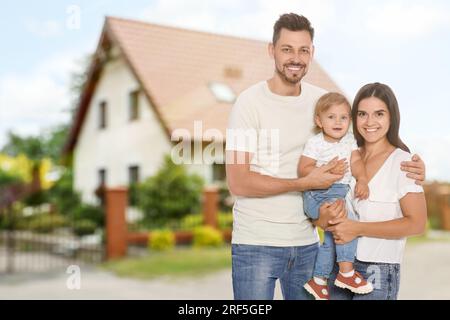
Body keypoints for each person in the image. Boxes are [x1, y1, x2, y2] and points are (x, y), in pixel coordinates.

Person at [225, 13, 426, 300]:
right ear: (271, 51)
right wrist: (306, 182)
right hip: (256, 244)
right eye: (287, 49)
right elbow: (239, 182)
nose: (296, 58)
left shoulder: (323, 102)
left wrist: (411, 164)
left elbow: (366, 136)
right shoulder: (247, 103)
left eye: (303, 50)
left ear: (312, 53)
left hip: (308, 245)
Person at [325, 82, 428, 300]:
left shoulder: (404, 163)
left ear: (392, 117)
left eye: (379, 113)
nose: (370, 122)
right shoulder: (343, 155)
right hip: (336, 267)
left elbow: (416, 223)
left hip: (377, 272)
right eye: (362, 114)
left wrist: (357, 228)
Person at [300, 92, 373, 300]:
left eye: (343, 117)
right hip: (318, 194)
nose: (338, 122)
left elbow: (357, 163)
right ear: (319, 121)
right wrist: (326, 171)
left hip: (338, 193)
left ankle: (319, 280)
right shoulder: (316, 143)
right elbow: (303, 169)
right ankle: (346, 272)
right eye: (331, 117)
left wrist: (362, 180)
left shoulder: (350, 140)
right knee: (348, 223)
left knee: (331, 240)